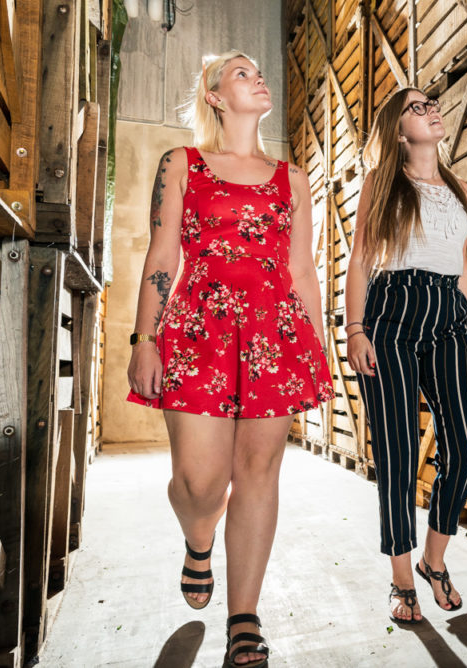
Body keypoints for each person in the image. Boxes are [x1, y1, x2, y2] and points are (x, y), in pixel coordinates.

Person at [126, 51, 333, 667]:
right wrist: (144, 339)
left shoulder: (293, 179)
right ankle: (199, 539)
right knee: (200, 482)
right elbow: (162, 255)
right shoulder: (181, 164)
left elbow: (302, 271)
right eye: (241, 73)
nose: (257, 77)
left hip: (275, 333)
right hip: (198, 329)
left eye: (258, 71)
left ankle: (244, 617)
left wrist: (315, 352)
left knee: (259, 472)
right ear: (215, 96)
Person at [344, 87, 467, 624]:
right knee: (399, 454)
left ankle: (434, 559)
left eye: (432, 103)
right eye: (417, 108)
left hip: (448, 315)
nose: (431, 110)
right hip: (391, 314)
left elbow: (463, 268)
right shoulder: (383, 182)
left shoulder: (460, 188)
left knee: (465, 448)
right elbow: (361, 260)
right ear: (400, 131)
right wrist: (355, 329)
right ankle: (402, 578)